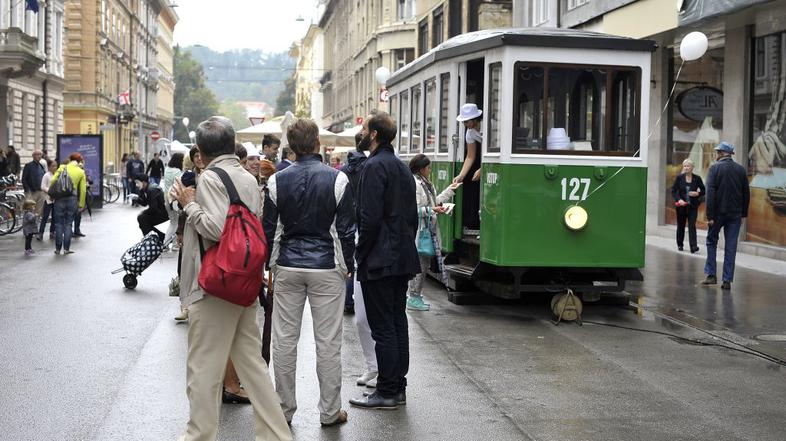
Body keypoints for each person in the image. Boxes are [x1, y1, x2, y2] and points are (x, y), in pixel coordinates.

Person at [172, 116, 292, 441]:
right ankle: (276, 435)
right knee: (252, 367)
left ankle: (198, 436)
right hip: (243, 282)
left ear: (200, 153)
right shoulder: (247, 177)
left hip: (217, 285)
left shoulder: (211, 178)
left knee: (202, 369)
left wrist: (189, 205)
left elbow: (215, 228)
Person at [263, 118, 355, 427]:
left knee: (284, 340)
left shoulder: (276, 181)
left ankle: (283, 409)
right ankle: (330, 411)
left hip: (288, 264)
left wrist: (270, 267)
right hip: (326, 265)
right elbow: (346, 232)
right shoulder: (338, 179)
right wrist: (347, 266)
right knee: (328, 342)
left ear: (290, 146)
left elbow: (270, 230)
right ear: (317, 144)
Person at [349, 112, 420, 410]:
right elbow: (412, 217)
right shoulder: (402, 167)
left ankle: (388, 389)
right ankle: (397, 387)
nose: (361, 133)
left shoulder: (373, 166)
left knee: (383, 327)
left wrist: (360, 252)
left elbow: (369, 218)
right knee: (396, 321)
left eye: (365, 129)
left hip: (380, 259)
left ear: (374, 134)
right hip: (401, 256)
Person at [342, 129, 378, 387]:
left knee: (369, 317)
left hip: (366, 246)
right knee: (365, 316)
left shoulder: (374, 168)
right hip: (364, 245)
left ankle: (378, 369)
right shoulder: (367, 169)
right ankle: (374, 367)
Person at [408, 154, 461, 311]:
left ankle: (416, 295)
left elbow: (434, 201)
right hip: (421, 231)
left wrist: (450, 190)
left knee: (423, 264)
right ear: (421, 169)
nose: (430, 170)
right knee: (420, 265)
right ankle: (413, 296)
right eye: (428, 167)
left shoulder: (426, 184)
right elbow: (414, 209)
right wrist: (432, 210)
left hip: (428, 230)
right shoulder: (416, 184)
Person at [700, 142, 750, 291]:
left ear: (722, 153)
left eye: (717, 152)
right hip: (735, 214)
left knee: (711, 241)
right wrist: (743, 214)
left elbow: (710, 194)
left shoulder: (714, 169)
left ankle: (711, 275)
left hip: (717, 214)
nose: (716, 155)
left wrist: (710, 216)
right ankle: (727, 280)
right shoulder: (741, 170)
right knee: (731, 246)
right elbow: (746, 194)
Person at [453, 103, 483, 231]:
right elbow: (470, 156)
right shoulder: (470, 133)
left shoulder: (490, 126)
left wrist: (483, 169)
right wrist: (461, 175)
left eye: (466, 121)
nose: (465, 124)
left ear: (474, 119)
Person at [51, 152, 87, 255]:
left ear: (70, 159)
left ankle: (58, 249)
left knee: (58, 224)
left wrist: (52, 194)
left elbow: (53, 180)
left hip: (60, 198)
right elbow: (83, 190)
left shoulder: (62, 167)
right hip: (72, 199)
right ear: (79, 161)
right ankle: (66, 249)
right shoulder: (80, 172)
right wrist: (81, 204)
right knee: (68, 224)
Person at [671, 159, 706, 253]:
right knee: (681, 225)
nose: (686, 168)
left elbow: (703, 191)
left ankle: (693, 246)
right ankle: (680, 244)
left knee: (692, 225)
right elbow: (673, 190)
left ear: (692, 167)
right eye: (685, 166)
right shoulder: (679, 178)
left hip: (693, 206)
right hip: (681, 207)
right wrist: (679, 200)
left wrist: (697, 193)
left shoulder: (697, 178)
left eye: (688, 166)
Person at [134, 174, 168, 242]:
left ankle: (155, 239)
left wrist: (143, 212)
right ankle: (160, 238)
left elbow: (153, 208)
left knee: (142, 219)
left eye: (137, 182)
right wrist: (137, 198)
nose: (136, 185)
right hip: (159, 211)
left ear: (143, 182)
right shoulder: (146, 188)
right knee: (143, 222)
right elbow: (144, 203)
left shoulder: (151, 189)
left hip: (164, 213)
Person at [162, 153, 185, 246]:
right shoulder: (177, 171)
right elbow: (178, 186)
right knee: (176, 223)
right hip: (174, 198)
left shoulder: (167, 169)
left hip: (166, 197)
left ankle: (168, 243)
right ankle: (170, 244)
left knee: (173, 222)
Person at [22, 150, 46, 215]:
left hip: (40, 192)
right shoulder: (28, 165)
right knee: (30, 210)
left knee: (38, 212)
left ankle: (36, 221)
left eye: (40, 154)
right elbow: (24, 179)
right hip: (31, 192)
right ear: (33, 156)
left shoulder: (41, 166)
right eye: (37, 154)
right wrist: (27, 190)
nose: (39, 156)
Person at [38, 160, 58, 240]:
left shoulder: (57, 175)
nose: (55, 167)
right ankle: (40, 233)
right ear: (49, 167)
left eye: (56, 166)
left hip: (55, 199)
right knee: (45, 217)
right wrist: (50, 192)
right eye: (53, 166)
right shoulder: (46, 175)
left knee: (54, 217)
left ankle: (52, 232)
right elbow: (43, 187)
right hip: (48, 199)